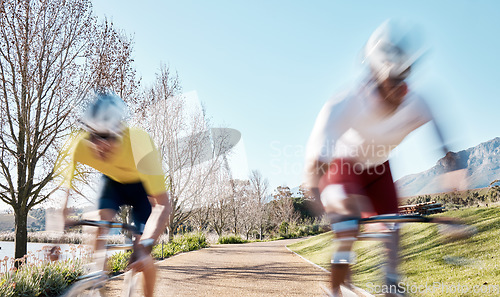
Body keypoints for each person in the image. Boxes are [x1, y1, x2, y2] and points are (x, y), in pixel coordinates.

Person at [303, 20, 463, 297]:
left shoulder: (416, 102)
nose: (401, 91)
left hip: (379, 170)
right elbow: (314, 166)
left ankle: (392, 284)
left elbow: (443, 143)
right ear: (375, 75)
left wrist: (453, 169)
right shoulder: (345, 104)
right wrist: (322, 204)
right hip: (343, 169)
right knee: (347, 233)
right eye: (392, 80)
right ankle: (336, 288)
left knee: (393, 231)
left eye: (404, 79)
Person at [60, 91, 171, 297]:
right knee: (99, 225)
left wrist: (145, 246)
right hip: (113, 184)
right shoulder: (80, 146)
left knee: (142, 255)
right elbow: (63, 192)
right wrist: (60, 228)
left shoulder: (140, 143)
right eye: (94, 136)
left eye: (106, 136)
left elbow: (163, 205)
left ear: (120, 131)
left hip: (142, 190)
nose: (99, 144)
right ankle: (99, 279)